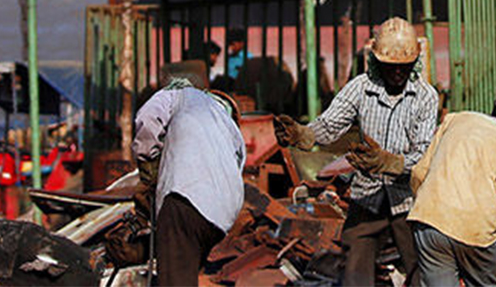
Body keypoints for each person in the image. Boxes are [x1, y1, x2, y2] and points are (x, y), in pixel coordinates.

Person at [274, 18, 439, 285]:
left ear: (414, 63)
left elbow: (423, 153)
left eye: (403, 67)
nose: (397, 72)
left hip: (408, 198)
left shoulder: (426, 97)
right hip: (367, 196)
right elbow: (330, 125)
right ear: (377, 61)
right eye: (390, 66)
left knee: (421, 268)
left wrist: (391, 162)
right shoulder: (360, 88)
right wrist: (304, 134)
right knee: (355, 270)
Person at [407, 77, 496, 287]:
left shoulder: (457, 120)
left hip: (429, 221)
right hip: (477, 234)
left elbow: (419, 174)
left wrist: (428, 212)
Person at [132, 82, 246, 287]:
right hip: (223, 216)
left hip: (185, 201)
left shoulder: (174, 96)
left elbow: (147, 119)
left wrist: (147, 160)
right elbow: (239, 162)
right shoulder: (225, 121)